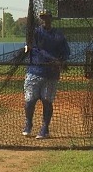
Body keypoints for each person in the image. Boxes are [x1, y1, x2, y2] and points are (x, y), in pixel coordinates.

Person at [23, 9, 70, 139]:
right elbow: (36, 50)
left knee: (47, 101)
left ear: (50, 18)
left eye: (46, 17)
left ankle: (45, 128)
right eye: (42, 17)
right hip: (34, 71)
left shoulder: (58, 34)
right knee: (29, 101)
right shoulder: (36, 33)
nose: (44, 19)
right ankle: (28, 123)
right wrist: (54, 59)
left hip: (52, 74)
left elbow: (66, 51)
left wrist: (62, 60)